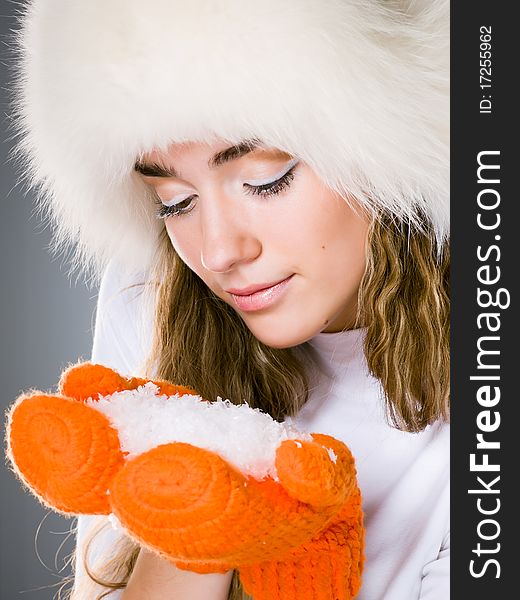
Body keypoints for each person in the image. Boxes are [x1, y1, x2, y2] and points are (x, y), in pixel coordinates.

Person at [11, 1, 449, 599]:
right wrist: (196, 512)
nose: (218, 252)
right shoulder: (147, 300)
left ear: (388, 143)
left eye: (266, 179)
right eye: (175, 199)